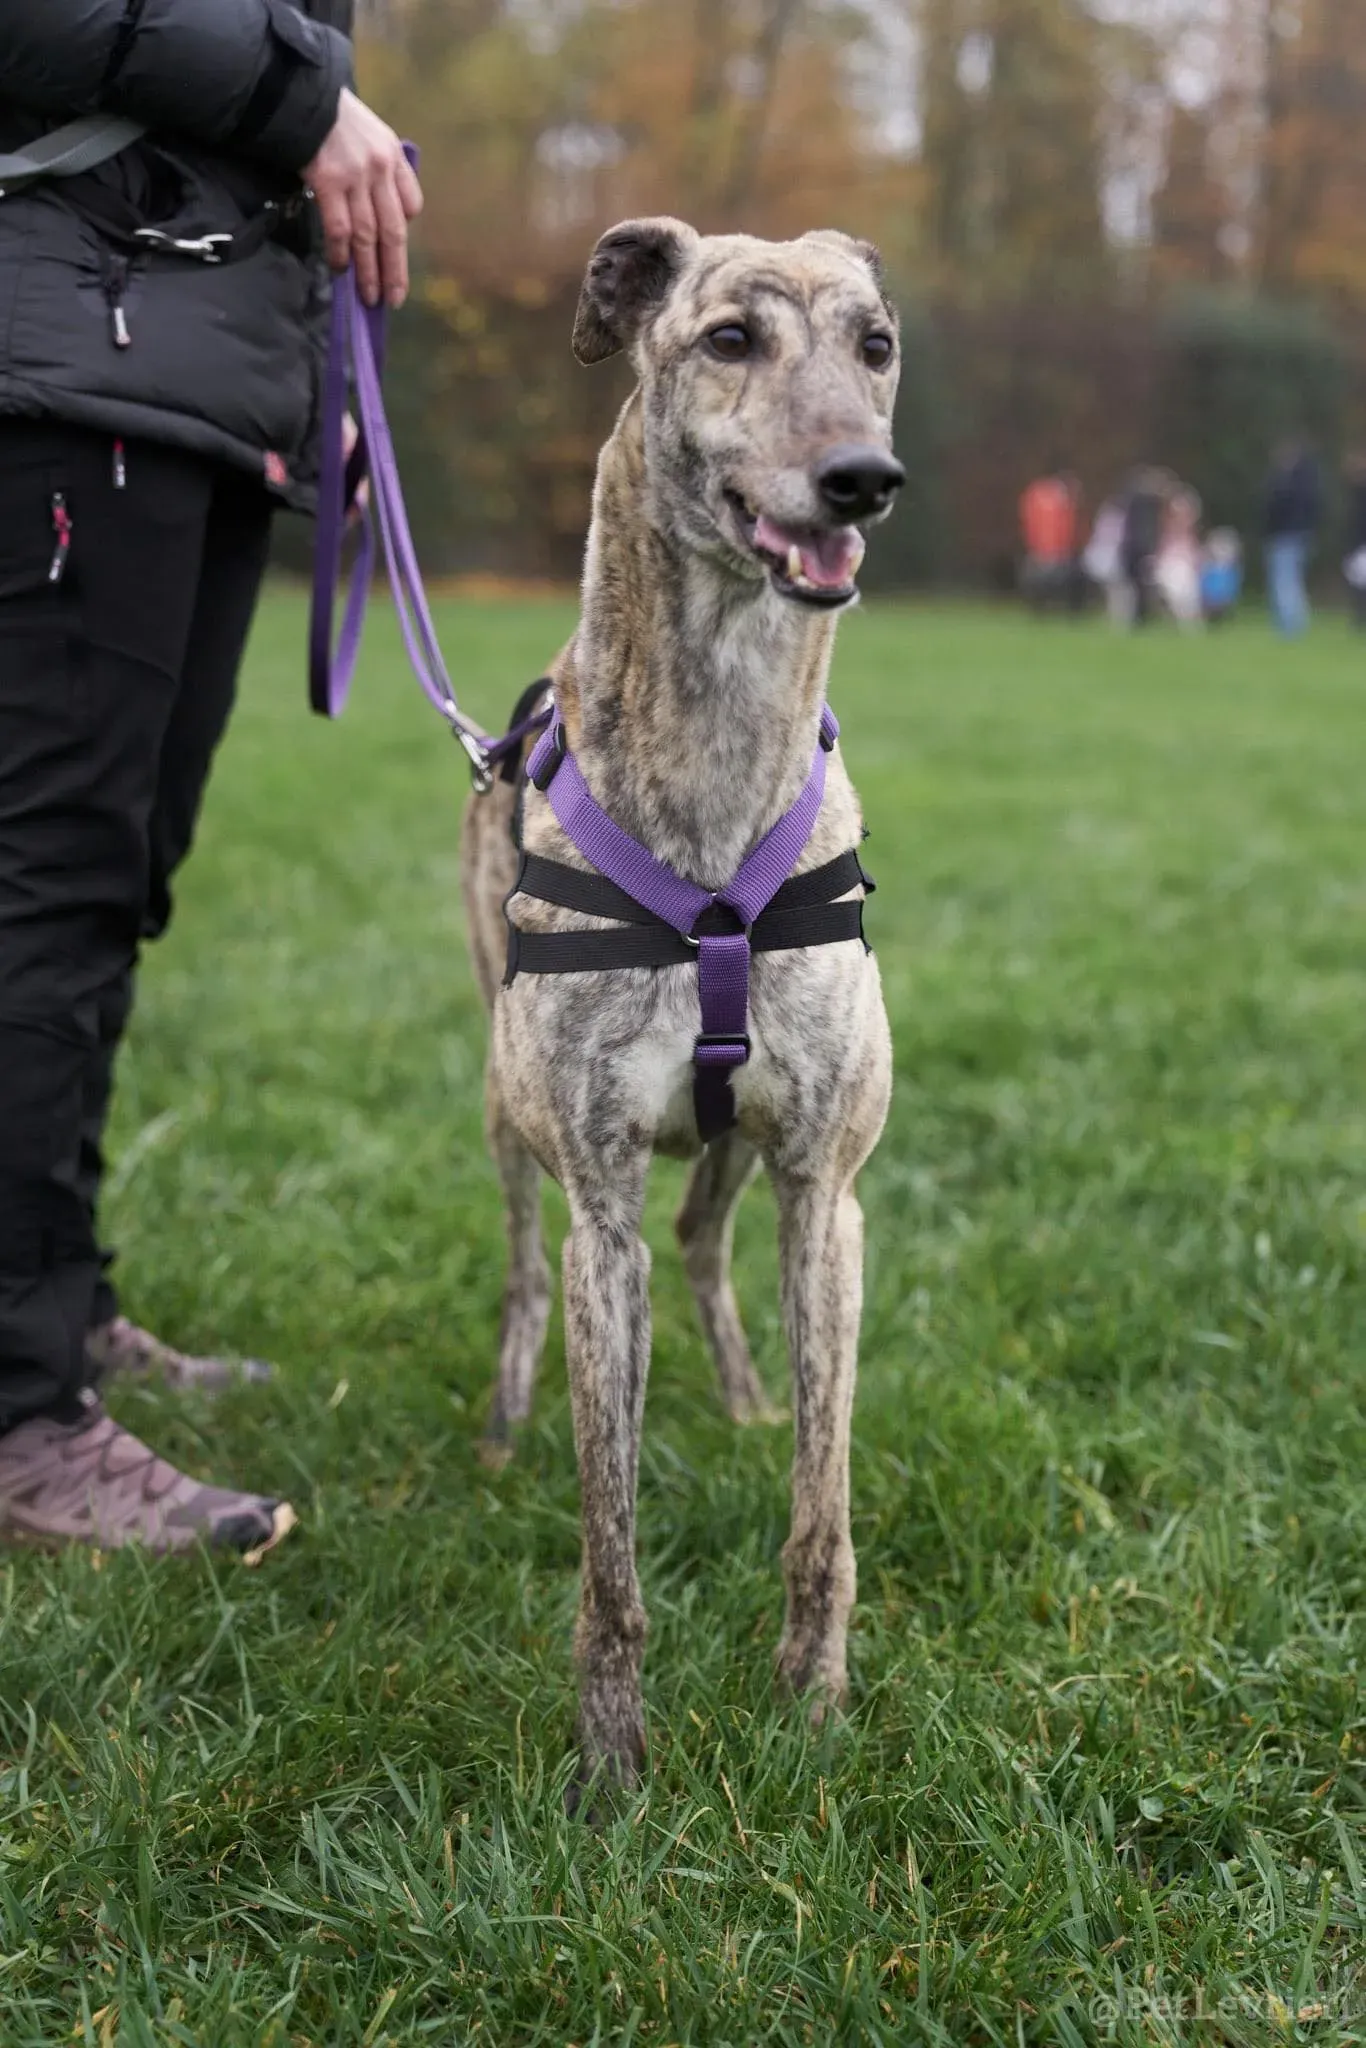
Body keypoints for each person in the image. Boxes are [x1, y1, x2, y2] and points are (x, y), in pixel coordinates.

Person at [0, 1, 423, 1552]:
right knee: (41, 895)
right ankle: (15, 1409)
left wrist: (324, 392)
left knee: (106, 889)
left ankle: (57, 1299)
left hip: (183, 380)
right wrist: (309, 94)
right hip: (61, 363)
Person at [1264, 438, 1321, 636]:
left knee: (1284, 581)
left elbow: (1276, 507)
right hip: (1301, 535)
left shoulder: (1288, 483)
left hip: (1286, 535)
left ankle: (1289, 627)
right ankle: (1295, 623)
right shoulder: (1308, 481)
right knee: (1293, 580)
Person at [1018, 465, 1081, 614]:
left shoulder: (1038, 493)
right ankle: (1045, 609)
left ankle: (1043, 610)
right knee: (1045, 580)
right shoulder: (1054, 498)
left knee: (1045, 581)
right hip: (1049, 548)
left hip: (1048, 547)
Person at [1120, 467, 1168, 627]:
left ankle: (1139, 616)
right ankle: (1141, 616)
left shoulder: (1133, 501)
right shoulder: (1150, 504)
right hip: (1143, 547)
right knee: (1142, 585)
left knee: (1137, 586)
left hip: (1133, 547)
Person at [1153, 483, 1204, 628]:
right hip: (1172, 558)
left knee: (1187, 594)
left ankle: (1190, 623)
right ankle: (1180, 621)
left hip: (1184, 559)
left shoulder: (1188, 534)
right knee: (1171, 591)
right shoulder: (1168, 529)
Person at [1342, 452, 1366, 630]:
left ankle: (1360, 618)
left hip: (1361, 545)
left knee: (1360, 581)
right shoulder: (1355, 492)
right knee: (1358, 581)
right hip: (1357, 544)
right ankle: (1360, 617)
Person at [1200, 529, 1244, 625]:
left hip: (1223, 596)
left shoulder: (1231, 570)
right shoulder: (1208, 567)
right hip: (1211, 596)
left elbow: (1232, 586)